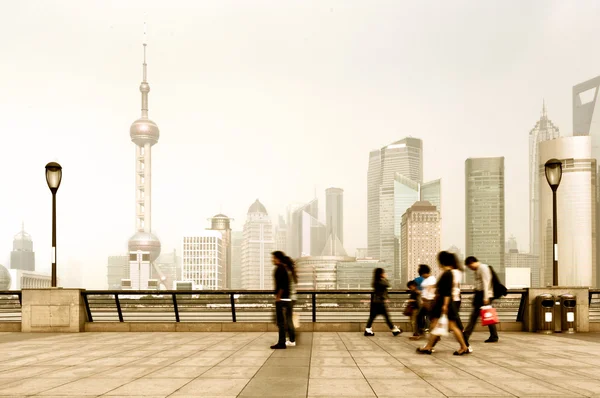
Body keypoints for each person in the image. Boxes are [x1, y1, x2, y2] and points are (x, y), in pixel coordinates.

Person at [417, 251, 469, 355]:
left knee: (450, 326)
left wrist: (445, 305)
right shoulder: (447, 273)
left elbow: (447, 291)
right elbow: (442, 287)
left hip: (444, 304)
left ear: (442, 261)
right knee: (436, 325)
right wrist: (433, 287)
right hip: (443, 303)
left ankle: (463, 347)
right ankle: (429, 346)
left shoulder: (448, 273)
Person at [463, 256, 499, 345]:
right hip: (480, 294)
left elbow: (486, 283)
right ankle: (494, 336)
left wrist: (486, 297)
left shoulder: (483, 268)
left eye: (469, 266)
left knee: (475, 316)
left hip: (483, 295)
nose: (470, 269)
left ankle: (466, 335)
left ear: (472, 263)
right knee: (486, 315)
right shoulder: (478, 269)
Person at [364, 268, 402, 337]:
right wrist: (385, 278)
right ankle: (394, 330)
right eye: (383, 273)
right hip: (379, 302)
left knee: (373, 317)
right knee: (385, 317)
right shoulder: (380, 282)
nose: (384, 274)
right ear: (380, 274)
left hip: (376, 301)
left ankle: (368, 330)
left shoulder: (376, 281)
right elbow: (388, 284)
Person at [270, 251, 295, 349]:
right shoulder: (285, 268)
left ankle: (281, 343)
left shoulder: (279, 269)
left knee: (281, 323)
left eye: (273, 258)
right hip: (288, 299)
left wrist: (278, 297)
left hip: (282, 299)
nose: (272, 260)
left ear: (277, 259)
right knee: (286, 321)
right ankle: (287, 340)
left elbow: (282, 285)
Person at [410, 264, 435, 340]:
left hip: (430, 302)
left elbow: (430, 290)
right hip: (426, 302)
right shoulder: (428, 279)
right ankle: (421, 333)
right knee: (422, 317)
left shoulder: (431, 279)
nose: (422, 277)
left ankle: (421, 334)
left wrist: (426, 300)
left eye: (422, 274)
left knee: (430, 318)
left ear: (424, 273)